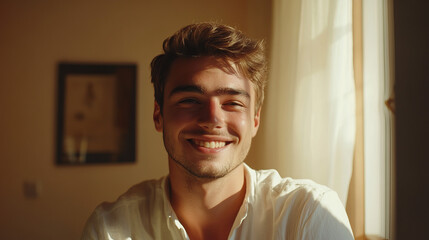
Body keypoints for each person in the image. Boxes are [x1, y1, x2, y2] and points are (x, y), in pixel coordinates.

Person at [81, 22, 354, 240]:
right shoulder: (111, 230)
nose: (212, 119)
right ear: (158, 115)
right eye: (189, 100)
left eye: (232, 103)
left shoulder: (309, 214)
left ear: (255, 119)